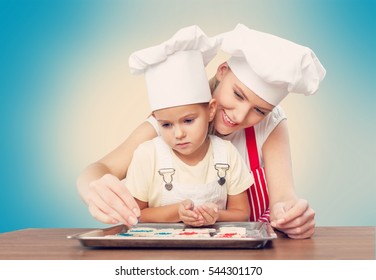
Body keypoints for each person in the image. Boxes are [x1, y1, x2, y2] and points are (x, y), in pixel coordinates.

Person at [77, 23, 326, 239]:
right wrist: (94, 189)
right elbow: (99, 170)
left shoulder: (272, 125)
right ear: (222, 71)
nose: (239, 116)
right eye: (238, 95)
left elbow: (283, 196)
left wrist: (292, 215)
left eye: (259, 111)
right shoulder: (171, 121)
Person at [124, 25, 252, 226]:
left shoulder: (226, 154)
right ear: (155, 118)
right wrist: (176, 212)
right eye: (166, 124)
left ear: (210, 110)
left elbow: (242, 213)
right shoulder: (147, 155)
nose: (179, 134)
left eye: (188, 120)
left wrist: (217, 214)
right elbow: (136, 214)